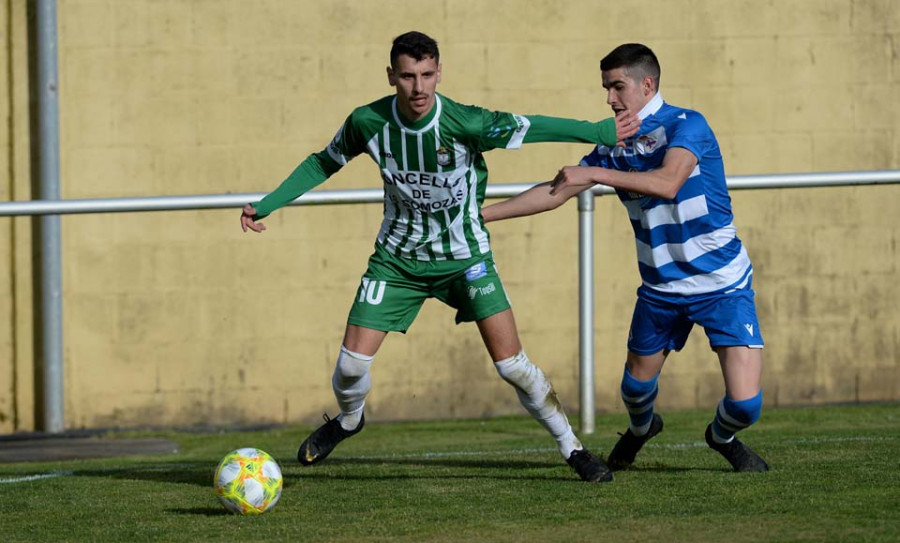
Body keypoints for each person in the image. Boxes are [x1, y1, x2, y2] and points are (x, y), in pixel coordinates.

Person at [240, 31, 640, 482]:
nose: (418, 87)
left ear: (439, 73)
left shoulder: (465, 122)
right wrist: (268, 202)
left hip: (465, 257)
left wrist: (597, 131)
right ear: (391, 75)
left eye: (427, 75)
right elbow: (322, 162)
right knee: (350, 367)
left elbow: (531, 127)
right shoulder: (367, 122)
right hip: (396, 262)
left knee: (512, 367)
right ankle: (350, 419)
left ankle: (573, 448)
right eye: (408, 76)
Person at [481, 43, 769, 473]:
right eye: (606, 89)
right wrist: (479, 217)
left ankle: (721, 436)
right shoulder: (613, 142)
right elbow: (555, 191)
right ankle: (641, 429)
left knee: (746, 405)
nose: (609, 99)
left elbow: (669, 181)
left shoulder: (686, 124)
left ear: (647, 84)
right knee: (634, 390)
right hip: (660, 289)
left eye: (617, 87)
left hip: (721, 283)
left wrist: (594, 172)